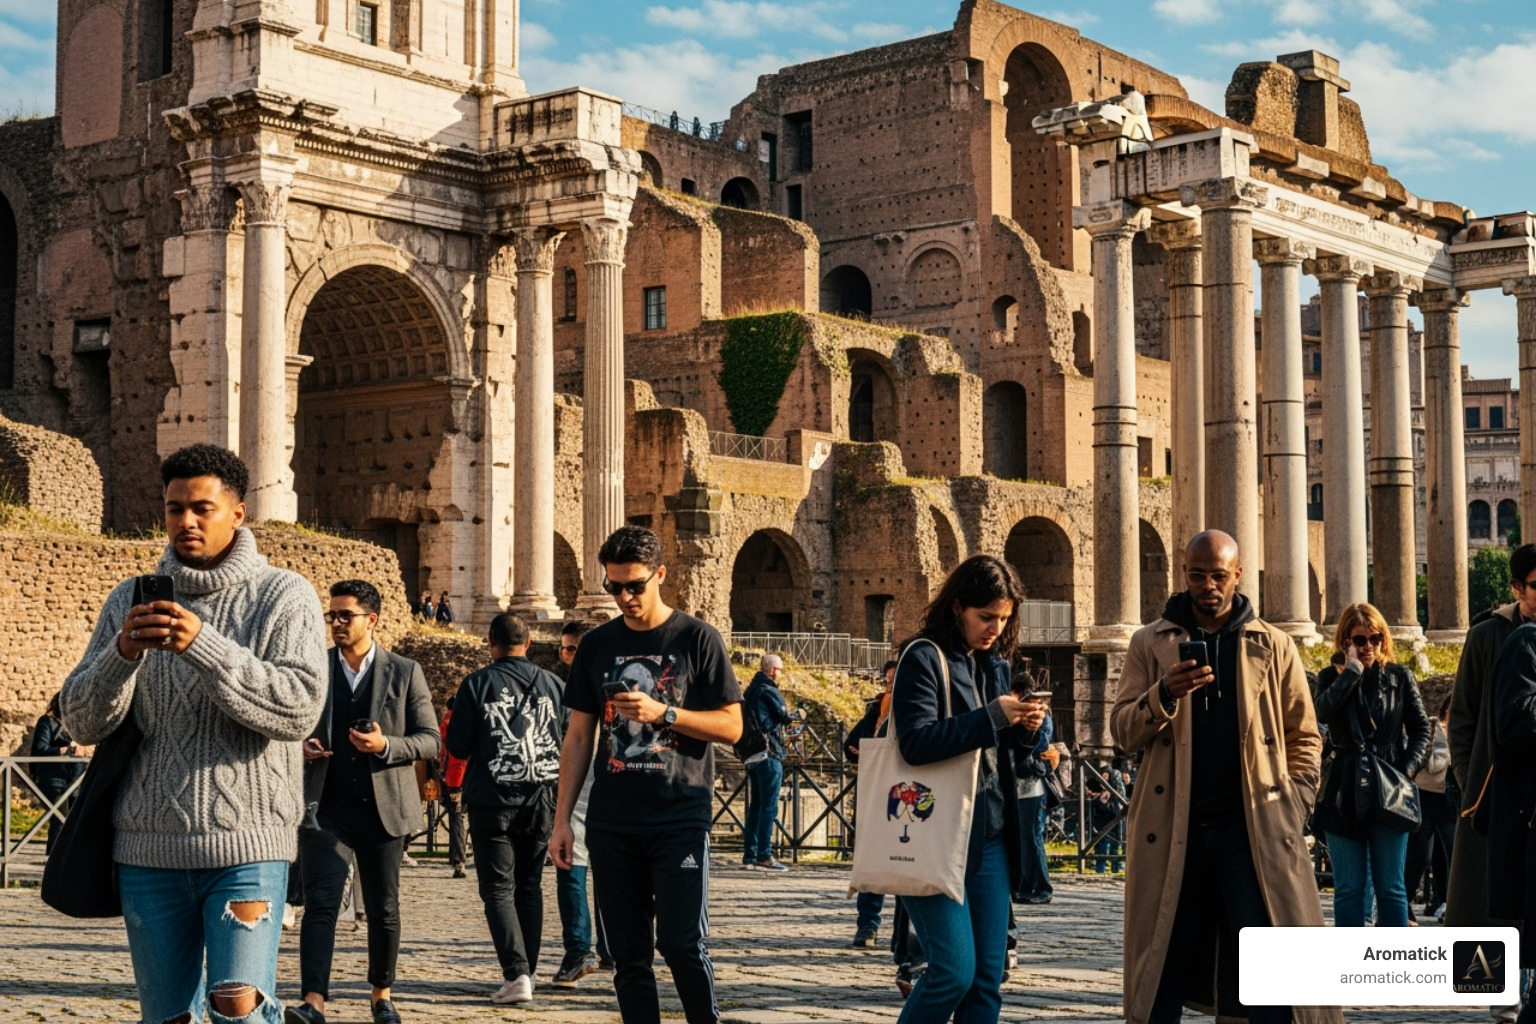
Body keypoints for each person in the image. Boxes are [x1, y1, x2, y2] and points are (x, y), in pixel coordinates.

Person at [60, 444, 328, 1024]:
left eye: (202, 508)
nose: (186, 521)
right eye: (174, 508)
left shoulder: (285, 595)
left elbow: (298, 709)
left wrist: (202, 645)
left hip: (248, 844)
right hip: (147, 846)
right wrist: (121, 654)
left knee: (239, 1003)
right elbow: (80, 720)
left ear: (238, 513)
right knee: (167, 1016)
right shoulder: (129, 599)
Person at [1112, 530, 1338, 1024]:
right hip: (1175, 827)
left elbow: (1305, 736)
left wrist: (1292, 802)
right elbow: (1123, 731)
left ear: (1238, 575)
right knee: (1162, 969)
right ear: (1184, 574)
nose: (1208, 586)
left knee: (1266, 967)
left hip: (1252, 828)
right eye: (1197, 575)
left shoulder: (1272, 645)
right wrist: (1163, 694)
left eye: (1219, 575)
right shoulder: (1150, 642)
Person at [552, 525, 743, 1024]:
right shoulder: (596, 645)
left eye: (635, 585)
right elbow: (577, 737)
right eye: (615, 586)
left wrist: (665, 714)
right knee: (628, 958)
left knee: (681, 944)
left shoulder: (697, 639)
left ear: (660, 574)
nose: (625, 597)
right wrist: (562, 821)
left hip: (678, 816)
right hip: (613, 822)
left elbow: (732, 725)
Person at [890, 554, 1047, 1024]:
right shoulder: (922, 657)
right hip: (932, 832)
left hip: (992, 835)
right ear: (957, 607)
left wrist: (1027, 729)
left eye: (1004, 618)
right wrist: (994, 717)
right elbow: (916, 744)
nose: (995, 628)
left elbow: (1004, 754)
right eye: (986, 617)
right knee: (952, 973)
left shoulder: (997, 665)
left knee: (986, 981)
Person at [290, 580, 439, 1024]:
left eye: (344, 616)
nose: (335, 623)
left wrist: (386, 746)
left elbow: (430, 740)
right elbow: (289, 722)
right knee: (320, 904)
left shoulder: (405, 670)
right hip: (326, 806)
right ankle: (313, 1001)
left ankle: (381, 994)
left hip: (384, 810)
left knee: (383, 907)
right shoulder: (314, 666)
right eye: (330, 615)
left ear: (371, 620)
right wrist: (301, 745)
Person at [444, 612, 565, 1005]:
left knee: (498, 888)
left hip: (492, 800)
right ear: (528, 644)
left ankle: (516, 975)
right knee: (529, 886)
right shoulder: (555, 684)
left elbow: (458, 746)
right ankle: (525, 970)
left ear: (490, 643)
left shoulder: (477, 684)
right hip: (541, 799)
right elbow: (568, 740)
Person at [1449, 546, 1535, 1022]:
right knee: (1494, 893)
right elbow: (1461, 716)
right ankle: (1501, 995)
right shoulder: (1487, 635)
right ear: (1517, 588)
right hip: (1495, 790)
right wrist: (1469, 778)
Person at [1311, 603, 1430, 930]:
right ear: (1345, 640)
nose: (1368, 646)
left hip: (1389, 782)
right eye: (1360, 639)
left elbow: (1421, 730)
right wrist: (1350, 672)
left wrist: (1405, 772)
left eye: (1375, 638)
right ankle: (1351, 968)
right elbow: (1320, 714)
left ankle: (1389, 968)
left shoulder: (1399, 676)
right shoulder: (1329, 676)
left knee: (1392, 888)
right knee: (1348, 889)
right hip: (1343, 785)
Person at [551, 620, 613, 988]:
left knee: (586, 868)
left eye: (574, 648)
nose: (568, 655)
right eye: (565, 649)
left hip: (598, 783)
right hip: (581, 783)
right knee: (576, 863)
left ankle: (586, 948)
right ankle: (594, 948)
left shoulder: (596, 682)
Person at [845, 660, 897, 947]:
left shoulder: (911, 710)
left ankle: (907, 936)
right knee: (872, 864)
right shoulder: (875, 710)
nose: (888, 686)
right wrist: (864, 752)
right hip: (875, 793)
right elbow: (852, 744)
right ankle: (867, 927)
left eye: (893, 681)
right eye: (886, 680)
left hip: (902, 795)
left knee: (908, 866)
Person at [742, 653, 795, 872]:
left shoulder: (749, 691)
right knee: (769, 806)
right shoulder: (768, 690)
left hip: (752, 754)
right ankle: (764, 855)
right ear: (773, 670)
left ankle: (750, 854)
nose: (780, 673)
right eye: (780, 669)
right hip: (769, 752)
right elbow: (784, 715)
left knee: (756, 806)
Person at [1404, 695, 1454, 922]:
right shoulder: (1435, 728)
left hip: (1450, 800)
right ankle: (1402, 905)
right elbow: (1432, 764)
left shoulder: (1467, 730)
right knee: (1419, 855)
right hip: (1424, 797)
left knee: (1453, 854)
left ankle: (1450, 905)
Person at [29, 692, 88, 854]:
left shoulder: (79, 725)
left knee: (76, 818)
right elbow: (39, 749)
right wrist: (65, 750)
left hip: (76, 778)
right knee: (59, 816)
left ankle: (70, 856)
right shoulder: (47, 722)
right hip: (53, 777)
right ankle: (53, 858)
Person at [1013, 711, 1055, 903]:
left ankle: (1042, 887)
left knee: (1033, 836)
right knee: (1022, 838)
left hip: (1033, 786)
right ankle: (1025, 885)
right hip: (1018, 786)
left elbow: (1041, 744)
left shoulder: (1042, 718)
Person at [436, 697, 469, 878]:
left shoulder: (447, 723)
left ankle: (457, 860)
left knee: (456, 818)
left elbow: (442, 752)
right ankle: (460, 858)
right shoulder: (469, 719)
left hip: (454, 777)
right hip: (471, 775)